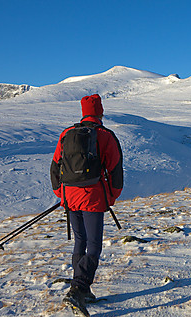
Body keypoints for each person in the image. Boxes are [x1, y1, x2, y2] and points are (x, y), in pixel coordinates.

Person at [50, 94, 123, 305]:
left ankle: (83, 287)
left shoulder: (67, 134)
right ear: (100, 112)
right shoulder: (105, 135)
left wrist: (61, 194)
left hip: (70, 198)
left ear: (83, 112)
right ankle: (79, 287)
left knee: (80, 241)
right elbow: (115, 169)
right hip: (92, 197)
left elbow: (55, 166)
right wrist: (111, 195)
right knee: (94, 245)